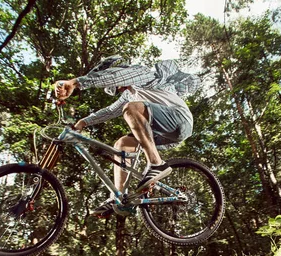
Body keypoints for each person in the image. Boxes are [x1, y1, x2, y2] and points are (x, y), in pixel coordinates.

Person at [54, 56, 200, 218]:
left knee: (130, 109)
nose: (117, 90)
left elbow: (115, 76)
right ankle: (119, 197)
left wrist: (75, 82)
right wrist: (82, 122)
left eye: (114, 86)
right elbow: (109, 111)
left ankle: (157, 164)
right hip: (163, 133)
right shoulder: (128, 95)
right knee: (122, 144)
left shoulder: (141, 74)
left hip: (179, 118)